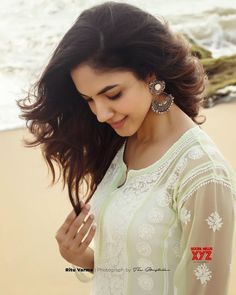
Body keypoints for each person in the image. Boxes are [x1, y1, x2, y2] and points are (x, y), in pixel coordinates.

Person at [16, 1, 236, 294]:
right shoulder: (122, 144)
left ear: (151, 75)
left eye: (113, 94)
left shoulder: (202, 174)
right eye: (89, 100)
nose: (101, 114)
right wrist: (83, 259)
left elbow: (206, 286)